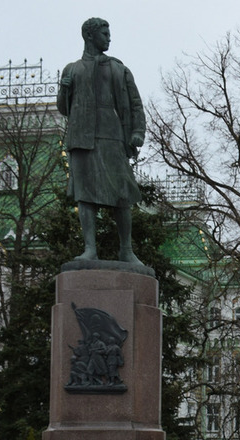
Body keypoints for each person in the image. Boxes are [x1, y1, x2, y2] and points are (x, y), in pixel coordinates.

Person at [57, 17, 145, 266]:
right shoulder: (72, 69)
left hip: (111, 135)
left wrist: (137, 132)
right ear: (90, 36)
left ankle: (126, 250)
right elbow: (65, 108)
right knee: (84, 196)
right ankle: (90, 249)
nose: (109, 38)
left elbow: (135, 103)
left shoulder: (118, 69)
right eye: (104, 34)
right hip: (81, 137)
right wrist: (64, 90)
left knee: (122, 193)